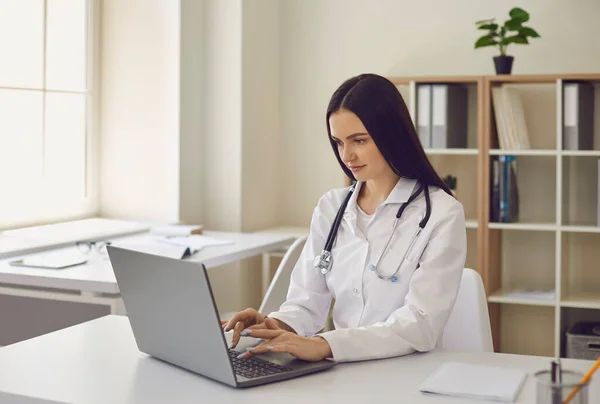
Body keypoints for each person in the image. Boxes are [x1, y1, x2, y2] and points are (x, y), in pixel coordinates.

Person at [222, 73, 467, 363]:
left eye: (359, 140)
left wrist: (326, 345)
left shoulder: (441, 213)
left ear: (391, 135)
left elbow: (420, 325)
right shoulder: (331, 208)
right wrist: (274, 325)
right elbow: (306, 303)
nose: (347, 155)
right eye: (338, 142)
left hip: (406, 372)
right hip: (342, 370)